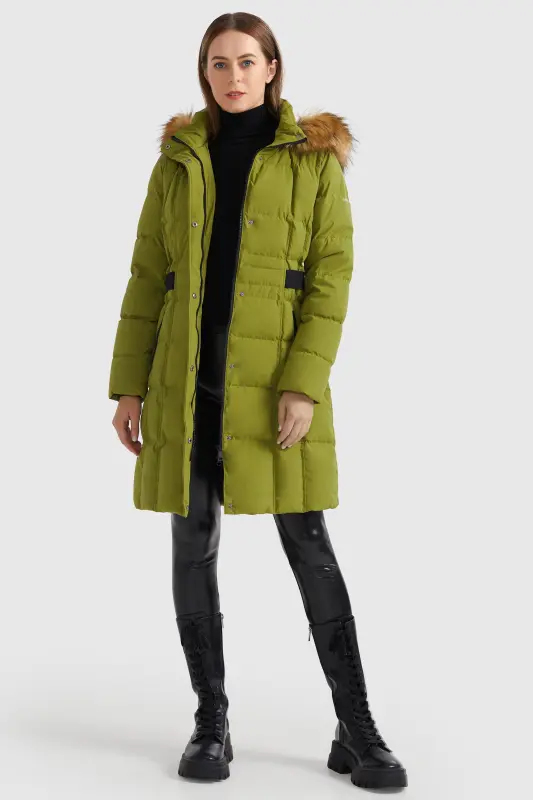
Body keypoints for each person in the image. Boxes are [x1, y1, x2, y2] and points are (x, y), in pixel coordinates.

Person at [109, 11, 407, 791]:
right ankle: (211, 721)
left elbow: (332, 277)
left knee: (308, 543)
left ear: (272, 68)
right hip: (185, 383)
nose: (233, 76)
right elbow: (146, 277)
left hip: (274, 383)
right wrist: (130, 385)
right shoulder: (178, 161)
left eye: (247, 61)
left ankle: (356, 726)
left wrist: (303, 383)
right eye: (219, 63)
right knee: (192, 541)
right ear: (203, 72)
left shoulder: (312, 161)